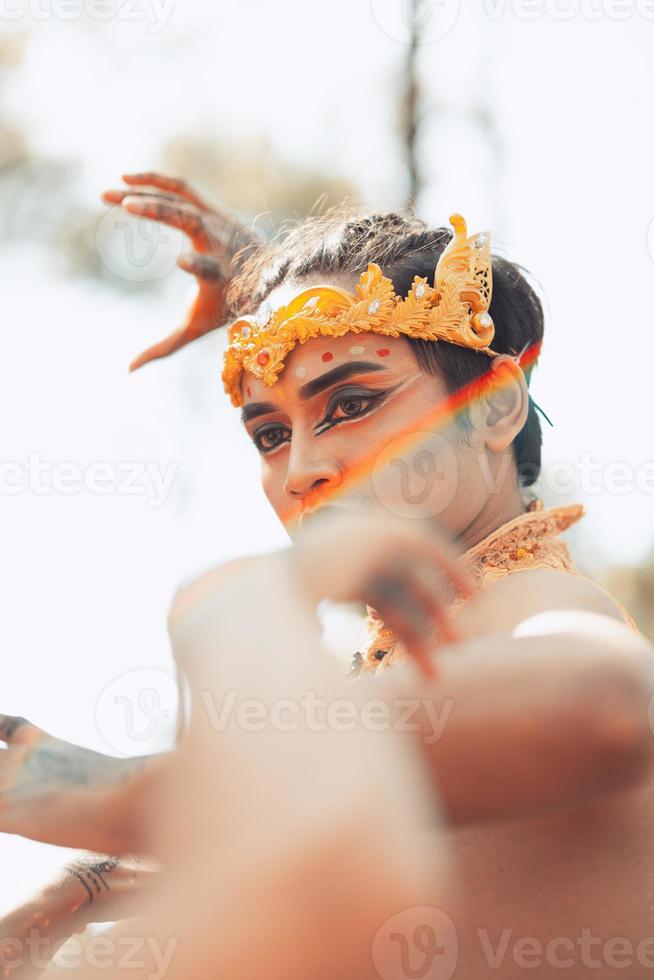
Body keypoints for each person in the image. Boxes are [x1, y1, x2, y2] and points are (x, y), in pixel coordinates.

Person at [1, 172, 653, 977]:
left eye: (349, 404)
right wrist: (81, 893)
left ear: (495, 408)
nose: (303, 469)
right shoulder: (415, 662)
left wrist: (108, 791)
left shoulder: (531, 602)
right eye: (270, 434)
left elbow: (604, 703)